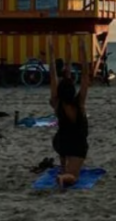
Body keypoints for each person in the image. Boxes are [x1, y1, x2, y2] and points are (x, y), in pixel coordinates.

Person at [49, 35, 90, 188]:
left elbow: (53, 75)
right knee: (73, 177)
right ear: (72, 90)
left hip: (62, 144)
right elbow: (85, 75)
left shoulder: (57, 103)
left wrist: (51, 53)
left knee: (61, 137)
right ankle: (64, 176)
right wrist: (82, 50)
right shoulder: (79, 102)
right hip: (78, 144)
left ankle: (62, 167)